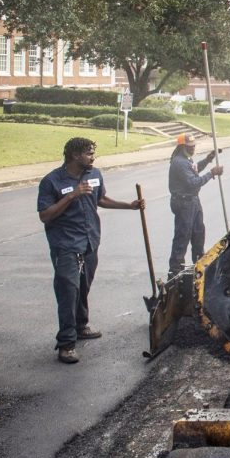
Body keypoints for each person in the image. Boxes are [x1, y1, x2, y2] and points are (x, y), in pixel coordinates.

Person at [37, 137, 145, 364]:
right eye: (89, 153)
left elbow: (102, 199)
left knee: (83, 286)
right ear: (75, 155)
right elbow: (45, 215)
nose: (93, 157)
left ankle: (81, 325)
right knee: (68, 291)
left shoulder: (94, 175)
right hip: (65, 245)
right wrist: (72, 195)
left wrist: (130, 205)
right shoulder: (52, 181)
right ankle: (66, 344)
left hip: (89, 242)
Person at [168, 133, 224, 279]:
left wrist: (208, 159)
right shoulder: (179, 162)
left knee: (198, 233)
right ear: (182, 147)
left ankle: (200, 265)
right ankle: (174, 272)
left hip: (193, 201)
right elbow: (193, 182)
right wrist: (212, 173)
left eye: (194, 146)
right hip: (184, 203)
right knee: (183, 236)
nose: (193, 149)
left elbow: (194, 169)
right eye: (189, 147)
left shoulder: (186, 160)